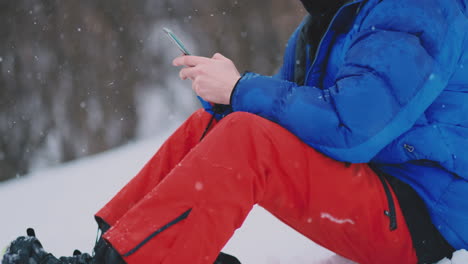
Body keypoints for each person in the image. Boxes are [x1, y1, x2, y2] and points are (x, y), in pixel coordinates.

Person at [3, 0, 467, 263]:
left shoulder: (417, 8)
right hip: (373, 188)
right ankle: (112, 250)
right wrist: (227, 94)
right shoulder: (323, 25)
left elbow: (353, 127)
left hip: (422, 218)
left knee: (246, 136)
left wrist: (243, 89)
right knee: (217, 125)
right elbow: (290, 121)